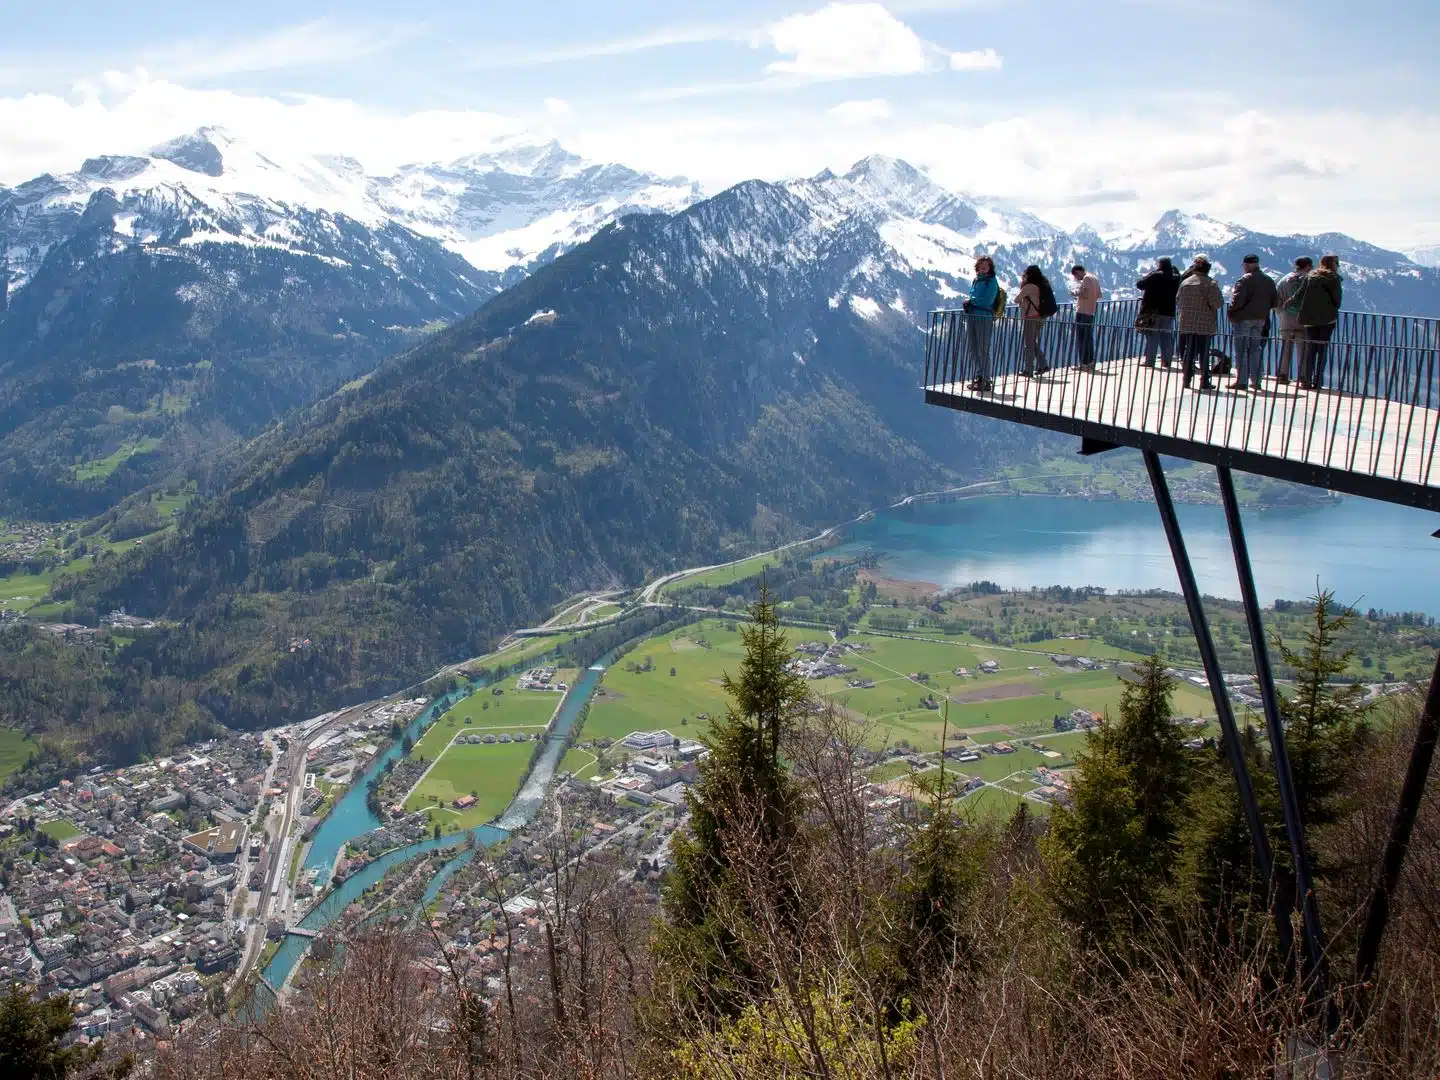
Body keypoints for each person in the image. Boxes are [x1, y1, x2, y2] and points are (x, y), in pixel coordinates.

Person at [1226, 254, 1278, 391]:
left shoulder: (1245, 280)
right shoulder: (1268, 280)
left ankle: (1241, 381)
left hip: (1243, 318)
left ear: (1247, 265)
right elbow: (1274, 301)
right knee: (1255, 349)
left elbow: (1237, 300)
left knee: (1241, 349)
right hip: (1261, 318)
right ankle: (1256, 381)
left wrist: (1231, 313)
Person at [1296, 254, 1343, 390]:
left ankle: (1306, 380)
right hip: (1327, 319)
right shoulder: (1333, 278)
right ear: (1333, 264)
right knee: (1322, 350)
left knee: (1310, 349)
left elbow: (1300, 293)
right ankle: (1318, 381)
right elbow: (1337, 300)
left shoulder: (1310, 276)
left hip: (1309, 319)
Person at [1176, 256, 1222, 390]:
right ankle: (1204, 380)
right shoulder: (1210, 284)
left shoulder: (1185, 283)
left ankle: (1186, 379)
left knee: (1188, 352)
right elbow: (1218, 303)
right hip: (1204, 323)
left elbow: (1178, 300)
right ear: (1207, 270)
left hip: (1186, 323)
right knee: (1204, 353)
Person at [1274, 256, 1313, 385]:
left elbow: (1276, 300)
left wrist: (1281, 313)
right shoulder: (1309, 280)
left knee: (1286, 347)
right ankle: (1303, 377)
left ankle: (1283, 374)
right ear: (1307, 266)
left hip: (1285, 318)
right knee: (1302, 349)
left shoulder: (1283, 280)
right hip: (1302, 319)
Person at [1135, 257, 1180, 367]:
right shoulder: (1175, 278)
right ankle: (1167, 360)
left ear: (1160, 265)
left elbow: (1140, 284)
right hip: (1169, 311)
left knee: (1152, 336)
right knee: (1166, 337)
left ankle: (1150, 361)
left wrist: (1152, 273)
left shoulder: (1155, 276)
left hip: (1153, 311)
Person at [963, 255, 1000, 391]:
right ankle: (979, 377)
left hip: (984, 317)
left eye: (986, 265)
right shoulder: (977, 280)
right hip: (972, 316)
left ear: (990, 267)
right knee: (974, 347)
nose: (983, 267)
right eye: (981, 265)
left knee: (983, 348)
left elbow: (987, 300)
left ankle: (986, 379)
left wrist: (971, 302)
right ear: (977, 267)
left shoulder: (991, 281)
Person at [1016, 264, 1054, 377]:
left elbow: (1016, 299)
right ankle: (1043, 364)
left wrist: (1022, 285)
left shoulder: (1029, 286)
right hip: (1041, 316)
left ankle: (1029, 369)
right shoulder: (1044, 284)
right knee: (1032, 341)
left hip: (1031, 317)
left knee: (1029, 343)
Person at [1069, 264, 1101, 369]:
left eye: (1075, 276)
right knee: (1088, 338)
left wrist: (1075, 293)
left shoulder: (1086, 278)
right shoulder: (1094, 278)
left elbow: (1085, 293)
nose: (1076, 278)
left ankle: (1084, 363)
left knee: (1082, 338)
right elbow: (1099, 295)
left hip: (1083, 311)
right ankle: (1090, 361)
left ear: (1078, 272)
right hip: (1091, 310)